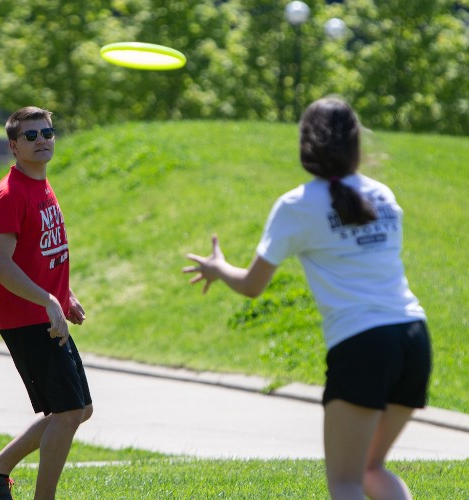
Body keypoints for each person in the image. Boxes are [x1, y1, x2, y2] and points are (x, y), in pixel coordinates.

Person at [182, 97, 431, 500]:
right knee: (370, 469)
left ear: (307, 144)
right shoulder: (383, 195)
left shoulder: (296, 206)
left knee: (346, 482)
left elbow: (251, 285)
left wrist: (217, 268)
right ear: (355, 143)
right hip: (414, 339)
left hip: (363, 343)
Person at [0, 106, 92, 500]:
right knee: (69, 411)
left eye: (48, 133)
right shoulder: (9, 193)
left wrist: (63, 295)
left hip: (46, 312)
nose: (42, 140)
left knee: (77, 409)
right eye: (31, 136)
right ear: (13, 146)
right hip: (27, 318)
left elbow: (41, 253)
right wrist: (48, 300)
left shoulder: (42, 183)